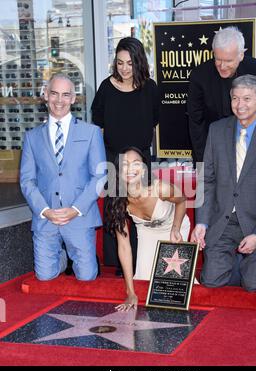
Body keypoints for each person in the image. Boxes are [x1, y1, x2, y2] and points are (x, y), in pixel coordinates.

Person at [191, 75, 256, 294]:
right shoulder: (217, 130)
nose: (240, 105)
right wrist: (202, 222)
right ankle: (244, 264)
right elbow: (206, 179)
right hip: (224, 221)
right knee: (211, 281)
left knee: (254, 285)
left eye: (247, 99)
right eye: (235, 98)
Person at [20, 73, 107, 281]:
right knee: (44, 276)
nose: (59, 100)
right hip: (46, 217)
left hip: (79, 216)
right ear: (46, 95)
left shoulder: (91, 133)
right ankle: (64, 256)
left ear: (73, 98)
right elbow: (27, 180)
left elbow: (100, 175)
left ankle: (78, 254)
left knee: (86, 276)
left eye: (65, 95)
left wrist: (75, 209)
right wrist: (45, 211)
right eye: (54, 94)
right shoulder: (32, 138)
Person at [91, 37, 159, 276]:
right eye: (119, 63)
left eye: (129, 63)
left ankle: (143, 260)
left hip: (141, 160)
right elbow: (97, 128)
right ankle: (120, 264)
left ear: (139, 62)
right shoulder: (105, 88)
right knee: (117, 213)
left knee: (141, 213)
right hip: (112, 160)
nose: (124, 68)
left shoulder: (150, 88)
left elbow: (154, 123)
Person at [105, 147, 190, 310]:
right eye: (125, 164)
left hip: (172, 227)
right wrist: (130, 292)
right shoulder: (118, 199)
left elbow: (182, 200)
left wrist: (176, 228)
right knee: (143, 281)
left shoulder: (160, 188)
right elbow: (123, 246)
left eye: (136, 164)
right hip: (146, 232)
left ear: (144, 170)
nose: (130, 169)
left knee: (174, 285)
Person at [187, 26, 256, 165]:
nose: (222, 66)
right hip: (209, 146)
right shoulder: (199, 75)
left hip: (246, 146)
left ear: (241, 55)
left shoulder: (255, 68)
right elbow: (196, 121)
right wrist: (203, 162)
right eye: (218, 59)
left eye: (228, 61)